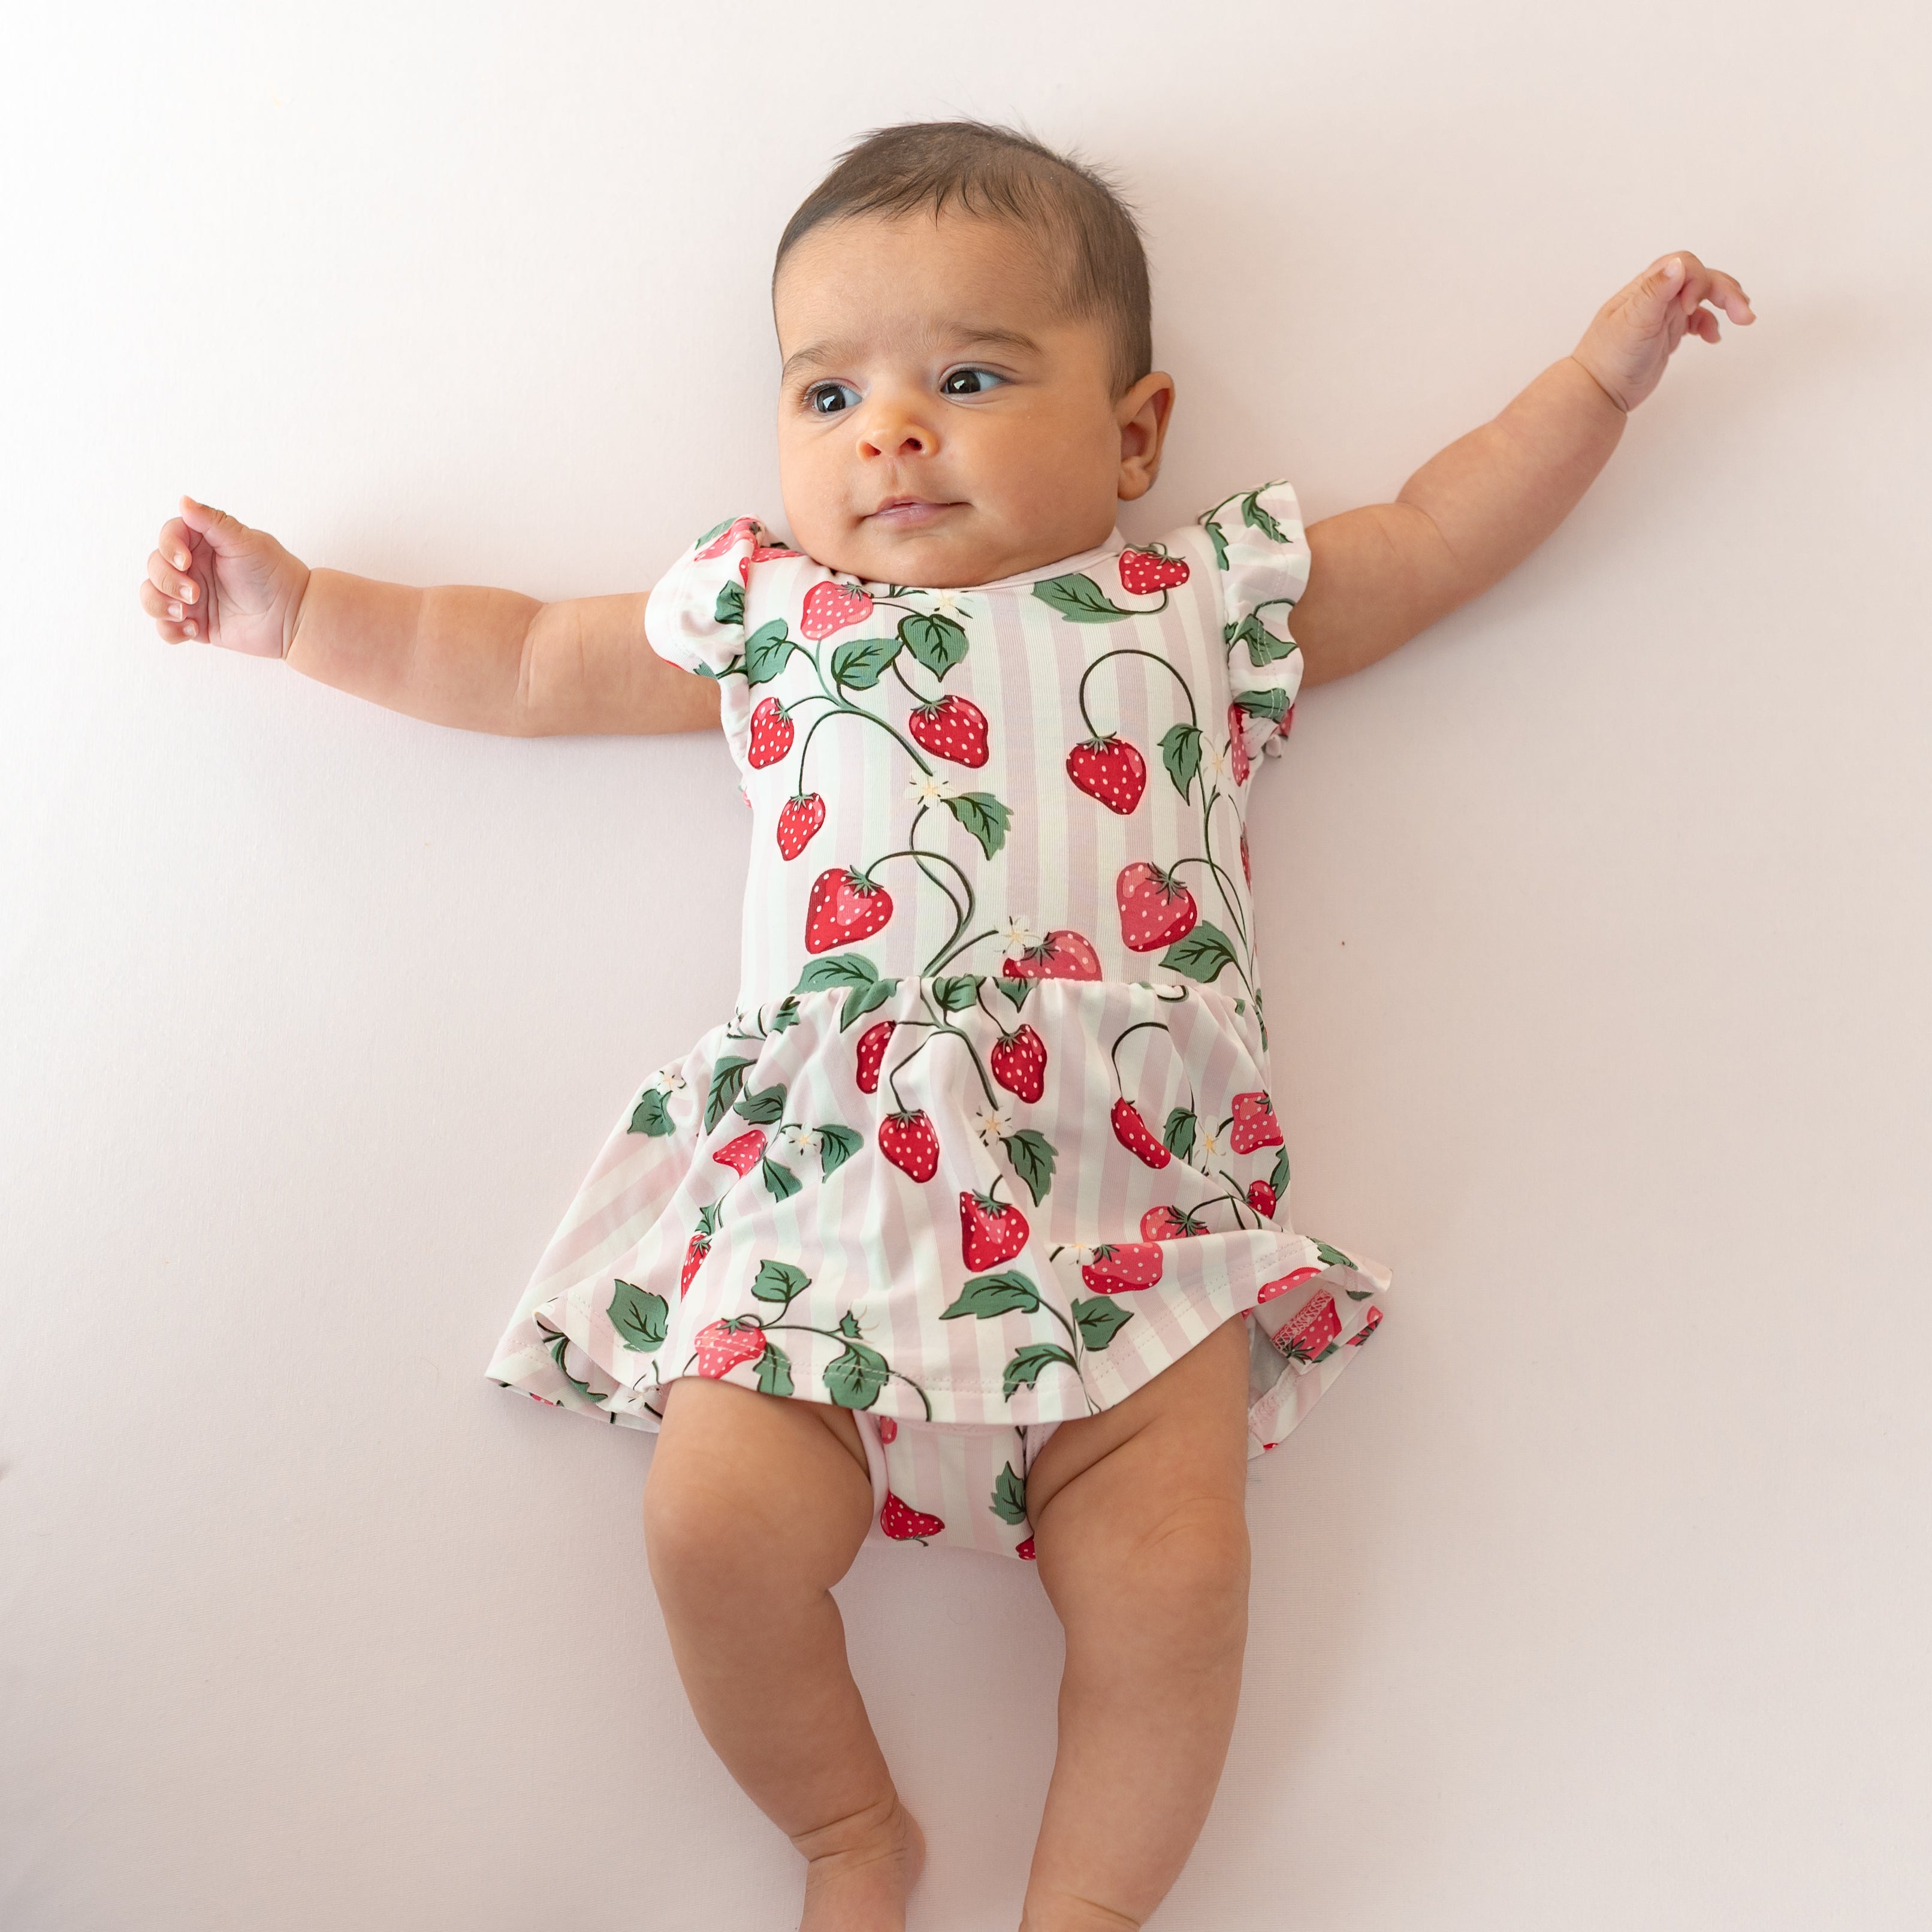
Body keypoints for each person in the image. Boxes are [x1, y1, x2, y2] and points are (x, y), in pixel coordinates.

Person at [138, 119, 1751, 1932]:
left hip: (1127, 1221)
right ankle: (847, 1832)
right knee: (707, 1528)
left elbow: (1443, 532)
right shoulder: (770, 617)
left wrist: (1598, 387)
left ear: (1134, 436)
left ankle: (1086, 1908)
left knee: (1180, 1587)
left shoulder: (1201, 604)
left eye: (969, 377)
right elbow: (514, 660)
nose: (890, 430)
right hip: (831, 1207)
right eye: (829, 395)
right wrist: (297, 616)